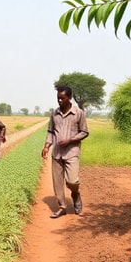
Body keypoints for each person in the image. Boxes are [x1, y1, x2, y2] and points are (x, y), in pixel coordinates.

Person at [41, 85, 89, 218]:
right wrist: (46, 146)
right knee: (57, 183)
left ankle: (75, 194)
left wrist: (70, 140)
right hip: (56, 153)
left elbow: (85, 132)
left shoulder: (78, 113)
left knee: (72, 181)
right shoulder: (54, 114)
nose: (59, 101)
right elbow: (50, 132)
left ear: (69, 98)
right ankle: (62, 206)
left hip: (71, 152)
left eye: (62, 98)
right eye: (58, 98)